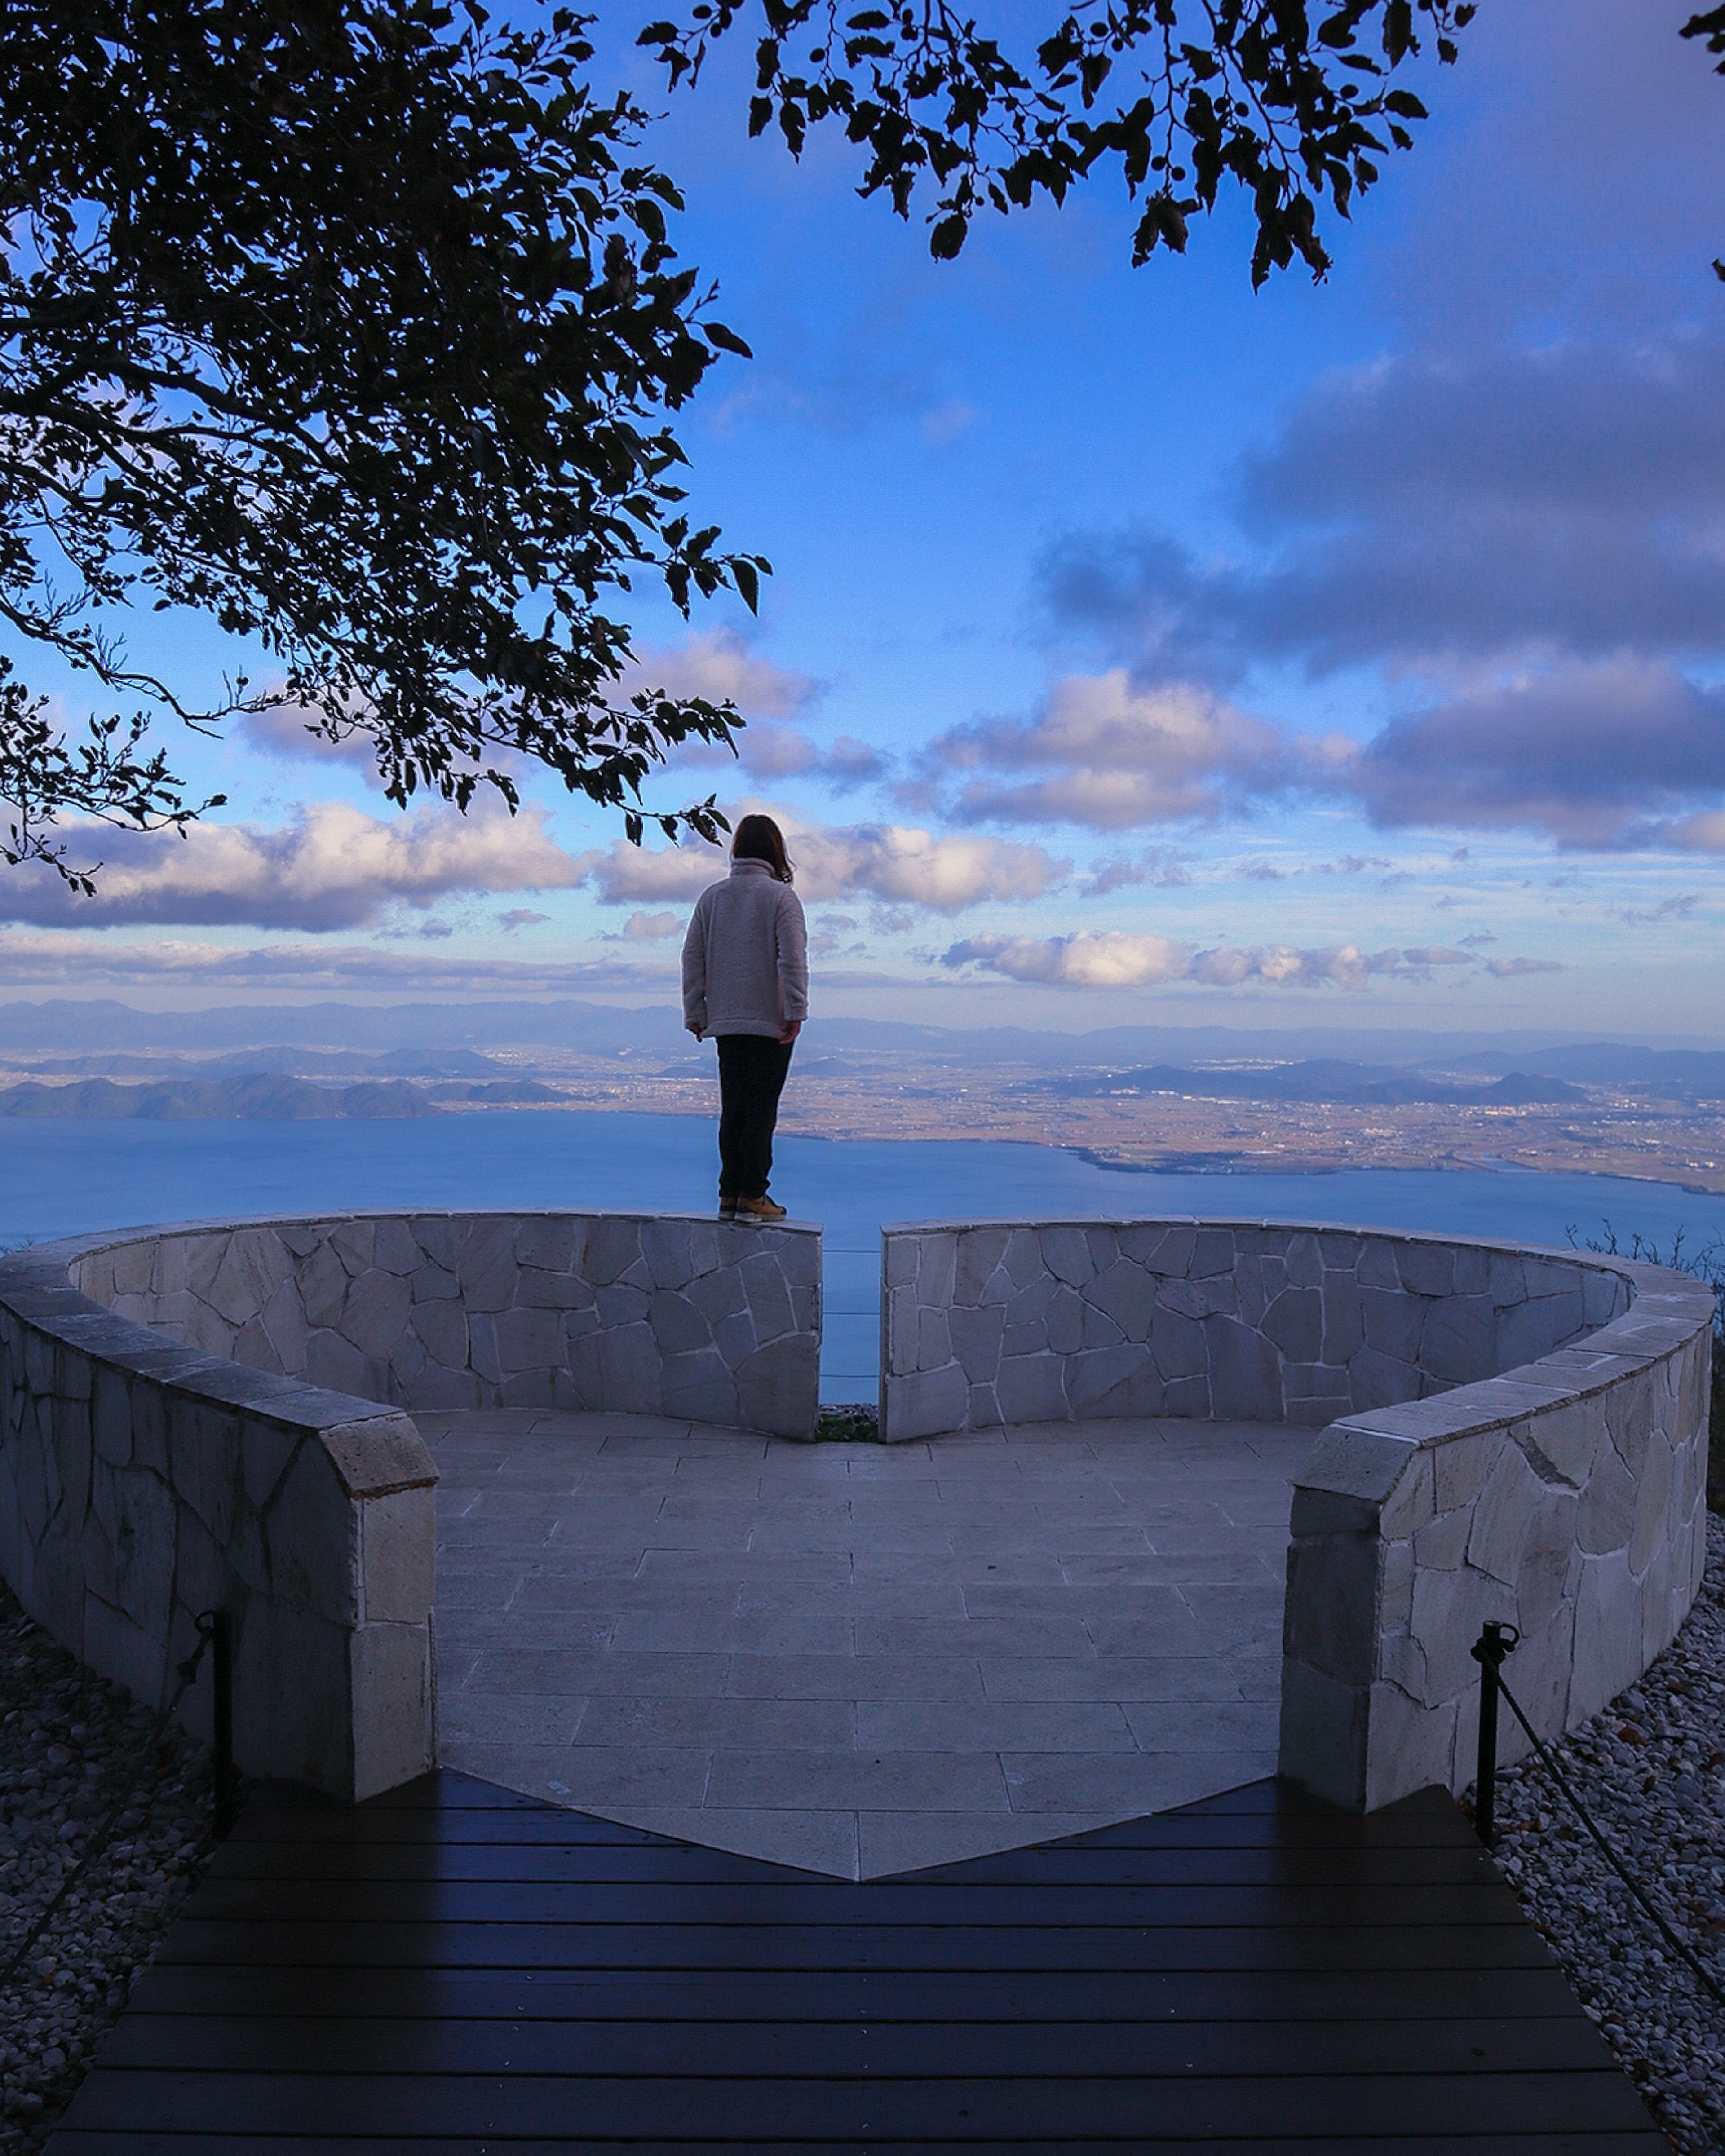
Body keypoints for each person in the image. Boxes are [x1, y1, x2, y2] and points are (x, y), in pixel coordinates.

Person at [681, 814, 807, 1221]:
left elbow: (692, 957)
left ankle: (730, 1193)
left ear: (737, 849)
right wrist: (796, 1010)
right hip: (769, 1023)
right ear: (776, 851)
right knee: (760, 1108)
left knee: (733, 1106)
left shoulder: (712, 897)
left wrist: (696, 1012)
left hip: (727, 1023)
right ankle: (754, 1194)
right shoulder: (781, 898)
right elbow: (792, 958)